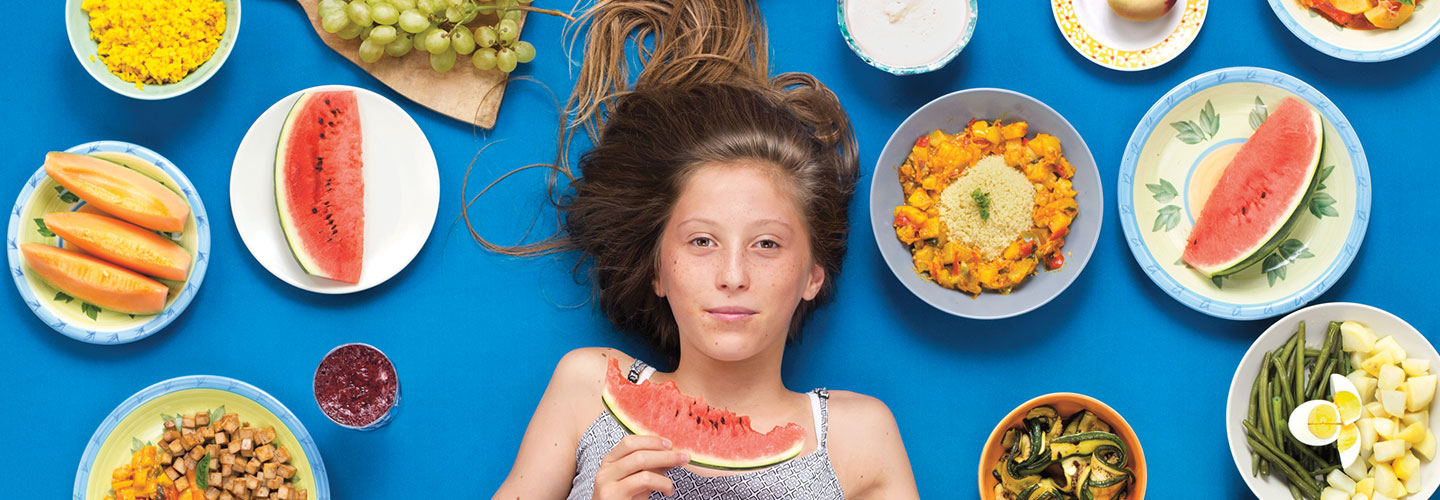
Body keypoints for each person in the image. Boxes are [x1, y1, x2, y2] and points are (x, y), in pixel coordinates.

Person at [480, 1, 919, 498]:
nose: (733, 274)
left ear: (813, 276)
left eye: (767, 244)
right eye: (702, 241)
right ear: (658, 273)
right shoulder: (588, 387)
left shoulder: (859, 436)